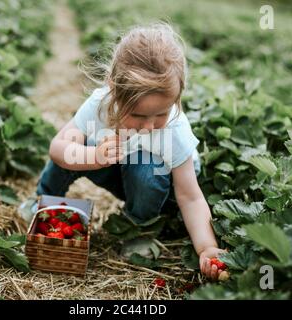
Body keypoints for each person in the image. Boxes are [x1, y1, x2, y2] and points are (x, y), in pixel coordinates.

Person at [36, 22, 226, 280]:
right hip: (120, 169)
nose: (149, 126)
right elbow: (58, 147)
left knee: (148, 164)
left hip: (161, 189)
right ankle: (44, 202)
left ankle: (138, 229)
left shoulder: (174, 131)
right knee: (74, 149)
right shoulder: (99, 105)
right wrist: (93, 157)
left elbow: (190, 197)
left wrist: (206, 247)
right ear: (113, 91)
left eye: (161, 113)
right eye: (137, 115)